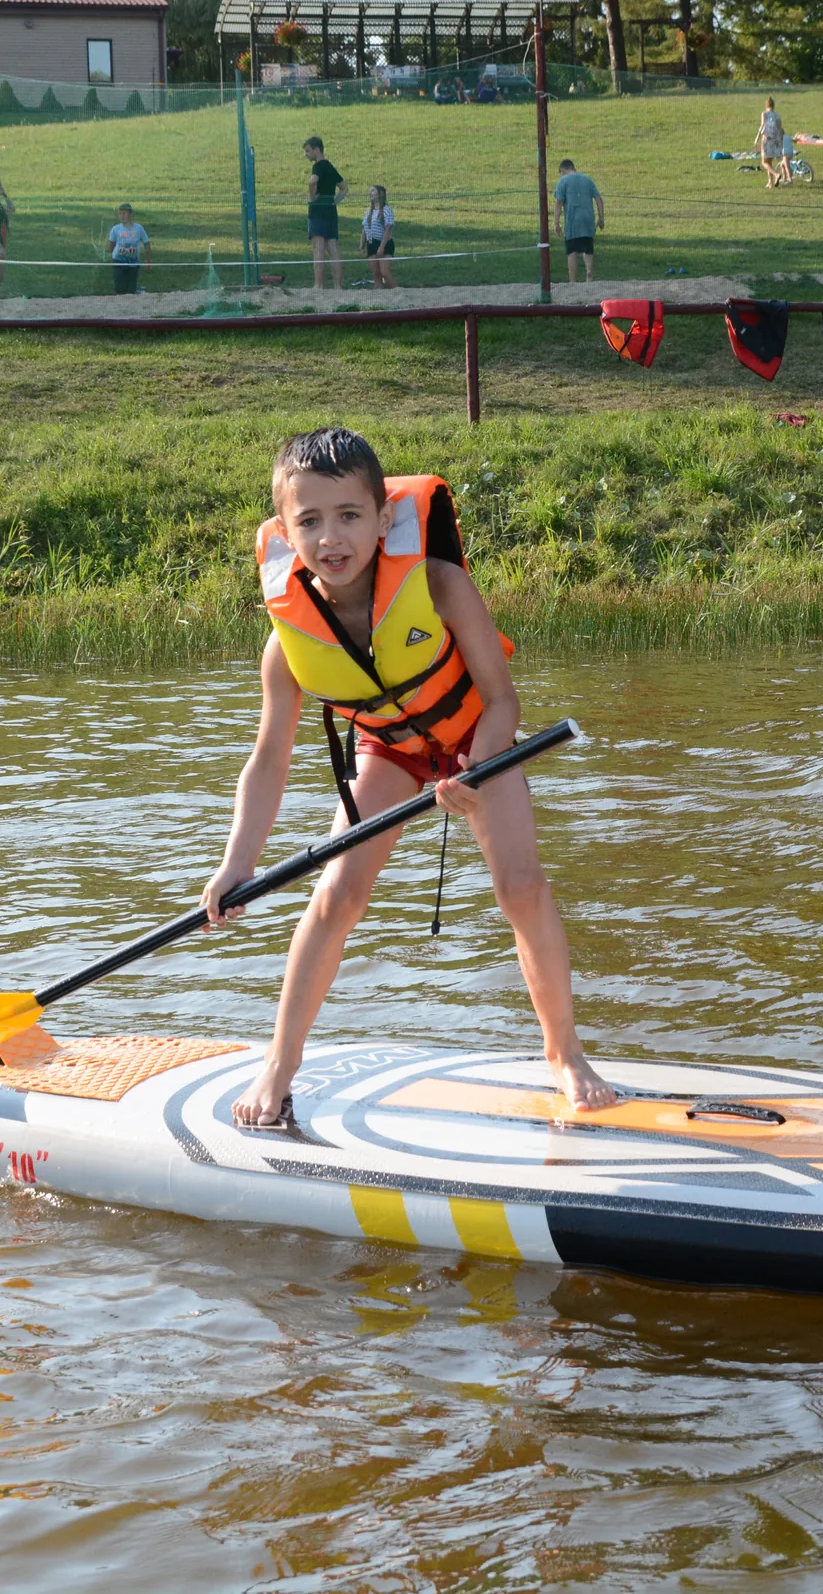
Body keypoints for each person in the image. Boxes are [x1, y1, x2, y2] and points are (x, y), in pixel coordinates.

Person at [205, 428, 619, 1127]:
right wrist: (235, 863)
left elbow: (503, 698)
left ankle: (565, 1051)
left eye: (348, 516)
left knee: (521, 886)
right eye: (308, 521)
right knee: (336, 892)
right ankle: (279, 1066)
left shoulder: (438, 583)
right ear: (284, 530)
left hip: (478, 740)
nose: (330, 538)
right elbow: (269, 759)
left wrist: (480, 772)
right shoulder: (286, 645)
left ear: (384, 518)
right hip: (390, 752)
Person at [302, 137, 344, 290]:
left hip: (318, 212)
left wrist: (312, 197)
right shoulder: (331, 167)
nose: (306, 155)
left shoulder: (318, 167)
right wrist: (335, 201)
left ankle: (318, 285)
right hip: (331, 211)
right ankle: (338, 286)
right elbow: (344, 187)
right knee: (333, 248)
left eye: (308, 151)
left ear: (316, 150)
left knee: (318, 249)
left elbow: (312, 182)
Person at [553, 158, 603, 282]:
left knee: (572, 250)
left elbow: (559, 203)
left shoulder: (562, 181)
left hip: (572, 219)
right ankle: (589, 272)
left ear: (562, 171)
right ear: (574, 168)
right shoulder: (587, 179)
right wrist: (601, 218)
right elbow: (598, 199)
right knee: (588, 247)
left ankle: (573, 281)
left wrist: (556, 223)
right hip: (588, 218)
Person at [106, 203, 148, 295]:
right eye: (120, 214)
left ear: (130, 214)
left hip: (133, 264)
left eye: (124, 213)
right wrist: (110, 256)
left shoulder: (139, 228)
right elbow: (111, 245)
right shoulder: (115, 229)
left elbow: (146, 243)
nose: (121, 216)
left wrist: (147, 260)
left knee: (130, 290)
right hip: (118, 262)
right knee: (120, 289)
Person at [360, 185, 397, 289]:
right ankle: (380, 295)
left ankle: (397, 290)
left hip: (384, 244)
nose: (370, 193)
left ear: (380, 194)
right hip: (371, 244)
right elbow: (364, 230)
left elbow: (387, 230)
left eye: (373, 191)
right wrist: (361, 246)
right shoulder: (368, 212)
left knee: (384, 272)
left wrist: (381, 247)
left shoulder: (387, 210)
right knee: (376, 273)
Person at [758, 97, 788, 188]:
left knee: (764, 162)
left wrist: (757, 138)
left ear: (766, 105)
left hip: (766, 140)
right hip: (775, 141)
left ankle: (776, 174)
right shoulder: (777, 116)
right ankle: (770, 182)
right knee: (769, 161)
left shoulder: (764, 114)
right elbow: (781, 129)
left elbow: (762, 125)